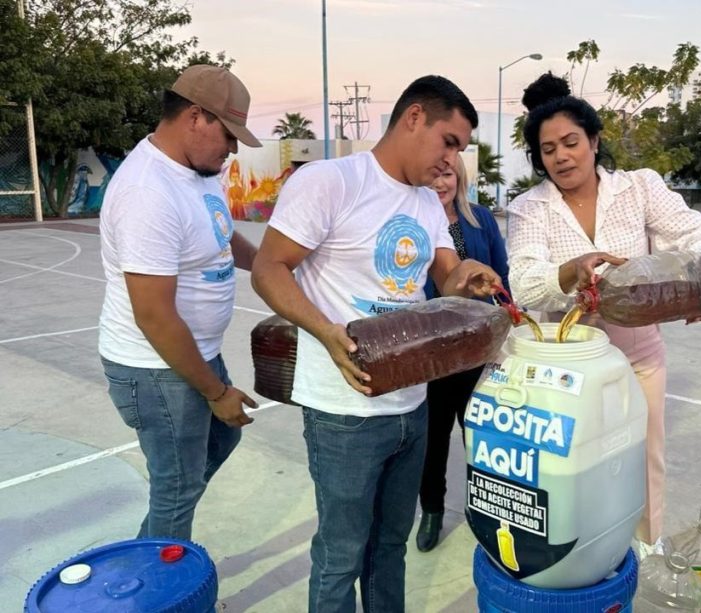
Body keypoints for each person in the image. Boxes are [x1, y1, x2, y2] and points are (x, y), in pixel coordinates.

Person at [250, 75, 502, 612]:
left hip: (412, 405)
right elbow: (269, 269)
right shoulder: (331, 181)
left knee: (390, 547)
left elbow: (446, 275)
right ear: (414, 118)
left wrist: (468, 277)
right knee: (341, 554)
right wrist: (326, 332)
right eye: (449, 142)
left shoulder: (427, 202)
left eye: (460, 150)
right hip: (343, 410)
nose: (452, 161)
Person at [506, 73, 701, 548]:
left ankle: (646, 550)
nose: (562, 156)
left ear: (594, 140)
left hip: (639, 355)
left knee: (646, 457)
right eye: (548, 150)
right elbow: (525, 284)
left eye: (571, 142)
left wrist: (698, 282)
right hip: (567, 365)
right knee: (573, 464)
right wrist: (572, 271)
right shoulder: (530, 208)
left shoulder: (640, 188)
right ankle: (581, 551)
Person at [98, 64, 262, 540]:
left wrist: (274, 263)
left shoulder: (198, 170)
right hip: (155, 368)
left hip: (194, 354)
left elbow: (221, 237)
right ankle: (160, 591)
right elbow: (153, 315)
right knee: (176, 488)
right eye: (229, 135)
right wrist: (216, 392)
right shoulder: (147, 191)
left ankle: (152, 547)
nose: (232, 149)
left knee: (215, 445)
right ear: (195, 117)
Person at [415, 154, 510, 553]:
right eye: (434, 174)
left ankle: (484, 513)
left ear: (460, 177)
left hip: (478, 350)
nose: (441, 182)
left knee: (481, 439)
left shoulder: (480, 220)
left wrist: (509, 324)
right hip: (433, 352)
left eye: (448, 173)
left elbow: (502, 273)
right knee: (433, 441)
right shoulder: (414, 224)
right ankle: (432, 511)